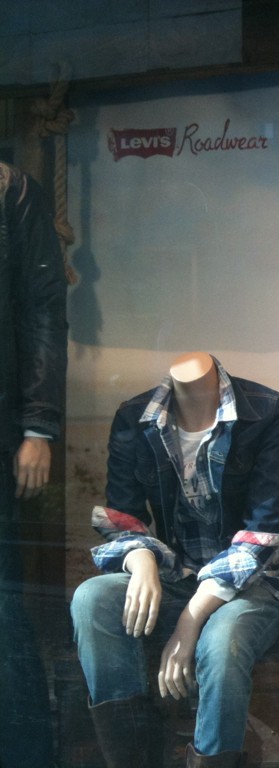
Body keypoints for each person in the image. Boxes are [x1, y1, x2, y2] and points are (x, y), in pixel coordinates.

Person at [70, 352, 279, 768]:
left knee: (223, 641)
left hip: (255, 576)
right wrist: (142, 559)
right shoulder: (134, 417)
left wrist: (189, 620)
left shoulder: (268, 411)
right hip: (178, 570)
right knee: (92, 599)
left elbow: (262, 531)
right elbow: (124, 516)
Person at [0, 162, 68, 768]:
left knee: (2, 607)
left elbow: (42, 307)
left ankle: (24, 755)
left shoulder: (10, 189)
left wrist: (38, 426)